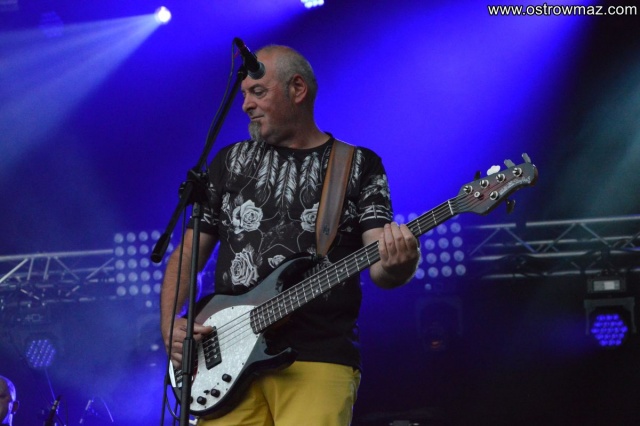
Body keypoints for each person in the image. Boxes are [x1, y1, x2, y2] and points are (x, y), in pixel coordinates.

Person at [160, 44, 420, 426]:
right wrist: (171, 323)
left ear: (297, 89)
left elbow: (381, 266)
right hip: (225, 360)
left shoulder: (358, 165)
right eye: (244, 94)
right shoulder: (229, 162)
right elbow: (187, 254)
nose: (246, 105)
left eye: (257, 91)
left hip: (317, 357)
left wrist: (400, 264)